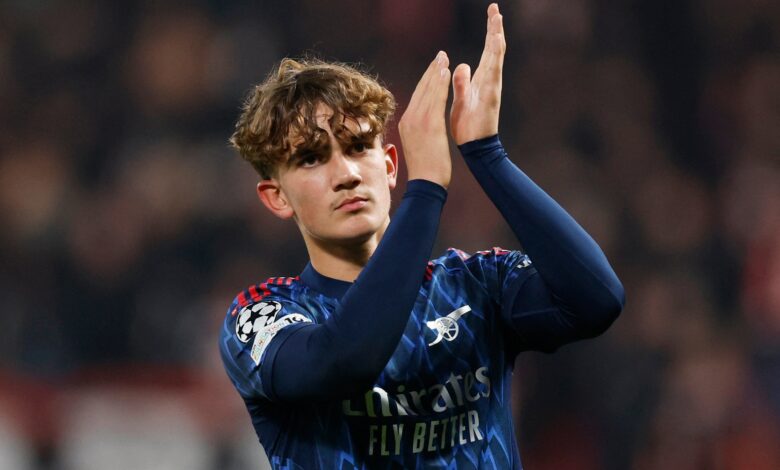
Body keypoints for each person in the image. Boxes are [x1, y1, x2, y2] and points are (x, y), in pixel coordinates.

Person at [219, 4, 624, 469]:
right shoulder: (261, 315)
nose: (347, 174)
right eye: (311, 158)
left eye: (358, 147)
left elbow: (597, 300)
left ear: (390, 165)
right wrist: (426, 189)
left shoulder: (473, 284)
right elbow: (342, 361)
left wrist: (487, 156)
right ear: (276, 197)